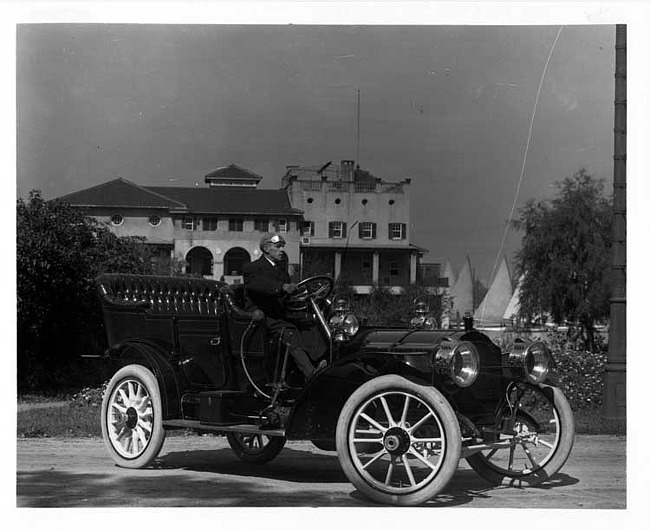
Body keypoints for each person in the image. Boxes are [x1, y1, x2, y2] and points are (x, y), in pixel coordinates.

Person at [243, 233, 326, 380]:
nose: (281, 250)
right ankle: (311, 374)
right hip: (263, 314)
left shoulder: (280, 268)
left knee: (310, 323)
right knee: (289, 332)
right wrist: (282, 287)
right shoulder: (253, 267)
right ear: (267, 248)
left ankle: (320, 361)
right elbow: (258, 285)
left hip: (281, 312)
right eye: (278, 246)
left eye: (282, 246)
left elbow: (288, 296)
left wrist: (306, 298)